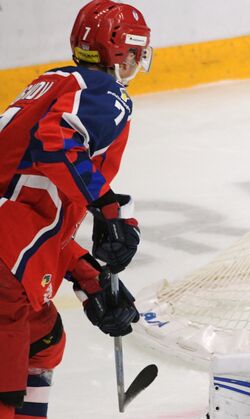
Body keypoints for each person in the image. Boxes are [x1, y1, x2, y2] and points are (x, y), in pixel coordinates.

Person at [0, 1, 152, 417]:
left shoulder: (51, 84)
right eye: (135, 51)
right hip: (4, 276)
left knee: (45, 339)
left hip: (9, 261)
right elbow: (56, 142)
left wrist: (89, 277)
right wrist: (105, 207)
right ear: (120, 52)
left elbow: (30, 215)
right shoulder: (100, 92)